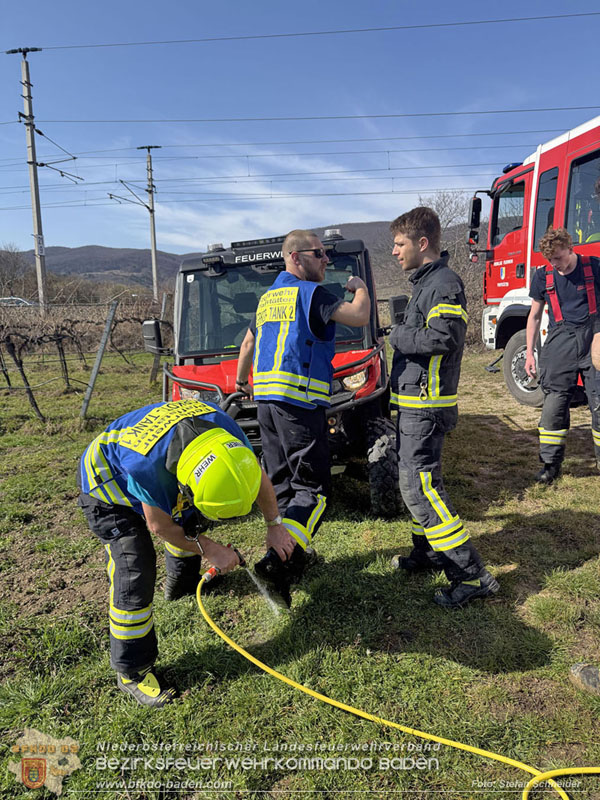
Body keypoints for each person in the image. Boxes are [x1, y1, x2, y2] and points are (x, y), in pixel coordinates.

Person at [78, 398, 294, 707]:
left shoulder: (229, 437)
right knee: (134, 569)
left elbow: (256, 478)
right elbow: (159, 525)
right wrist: (210, 548)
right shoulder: (147, 466)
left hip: (165, 463)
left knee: (187, 518)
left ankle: (181, 587)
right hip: (106, 486)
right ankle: (132, 670)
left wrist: (274, 525)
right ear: (186, 483)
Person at [235, 229, 371, 604]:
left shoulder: (267, 300)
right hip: (299, 406)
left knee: (281, 485)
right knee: (314, 491)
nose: (327, 260)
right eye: (320, 253)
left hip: (266, 405)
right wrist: (359, 287)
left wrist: (241, 379)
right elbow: (359, 316)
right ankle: (275, 563)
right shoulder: (311, 294)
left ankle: (289, 558)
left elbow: (247, 344)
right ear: (296, 257)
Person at [388, 207, 499, 609]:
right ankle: (430, 552)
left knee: (421, 489)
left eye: (399, 245)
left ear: (422, 244)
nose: (395, 253)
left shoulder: (444, 283)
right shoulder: (426, 284)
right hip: (414, 404)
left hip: (427, 405)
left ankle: (471, 576)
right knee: (411, 484)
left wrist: (398, 334)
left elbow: (444, 338)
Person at [525, 227, 600, 484]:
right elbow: (534, 316)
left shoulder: (593, 267)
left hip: (594, 337)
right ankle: (550, 465)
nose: (555, 264)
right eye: (550, 259)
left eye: (559, 257)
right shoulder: (543, 276)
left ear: (570, 248)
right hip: (560, 341)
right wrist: (530, 354)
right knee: (554, 405)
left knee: (599, 402)